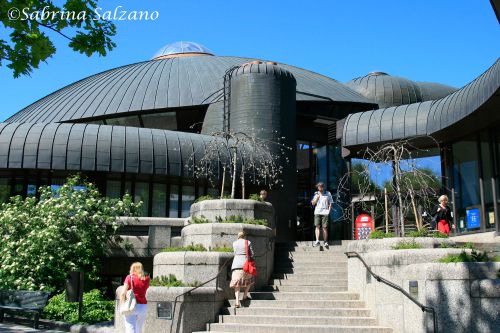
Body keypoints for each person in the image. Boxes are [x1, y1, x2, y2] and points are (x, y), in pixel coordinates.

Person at [120, 262, 150, 333]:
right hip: (143, 306)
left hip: (131, 305)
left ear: (132, 268)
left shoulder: (129, 277)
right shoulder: (146, 279)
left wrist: (122, 305)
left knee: (130, 329)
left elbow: (123, 293)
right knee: (139, 329)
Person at [230, 232, 255, 308]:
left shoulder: (234, 243)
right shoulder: (248, 242)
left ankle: (237, 301)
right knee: (250, 280)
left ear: (238, 236)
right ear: (244, 236)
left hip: (236, 265)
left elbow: (235, 253)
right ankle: (245, 295)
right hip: (246, 265)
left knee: (237, 284)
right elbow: (252, 254)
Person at [311, 182, 333, 247]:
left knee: (324, 227)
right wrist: (317, 199)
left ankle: (325, 241)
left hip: (325, 212)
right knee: (317, 226)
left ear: (323, 187)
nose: (320, 187)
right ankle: (317, 241)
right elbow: (313, 203)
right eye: (319, 186)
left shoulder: (328, 193)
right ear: (317, 187)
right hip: (317, 212)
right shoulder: (316, 194)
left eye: (321, 186)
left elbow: (331, 202)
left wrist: (328, 211)